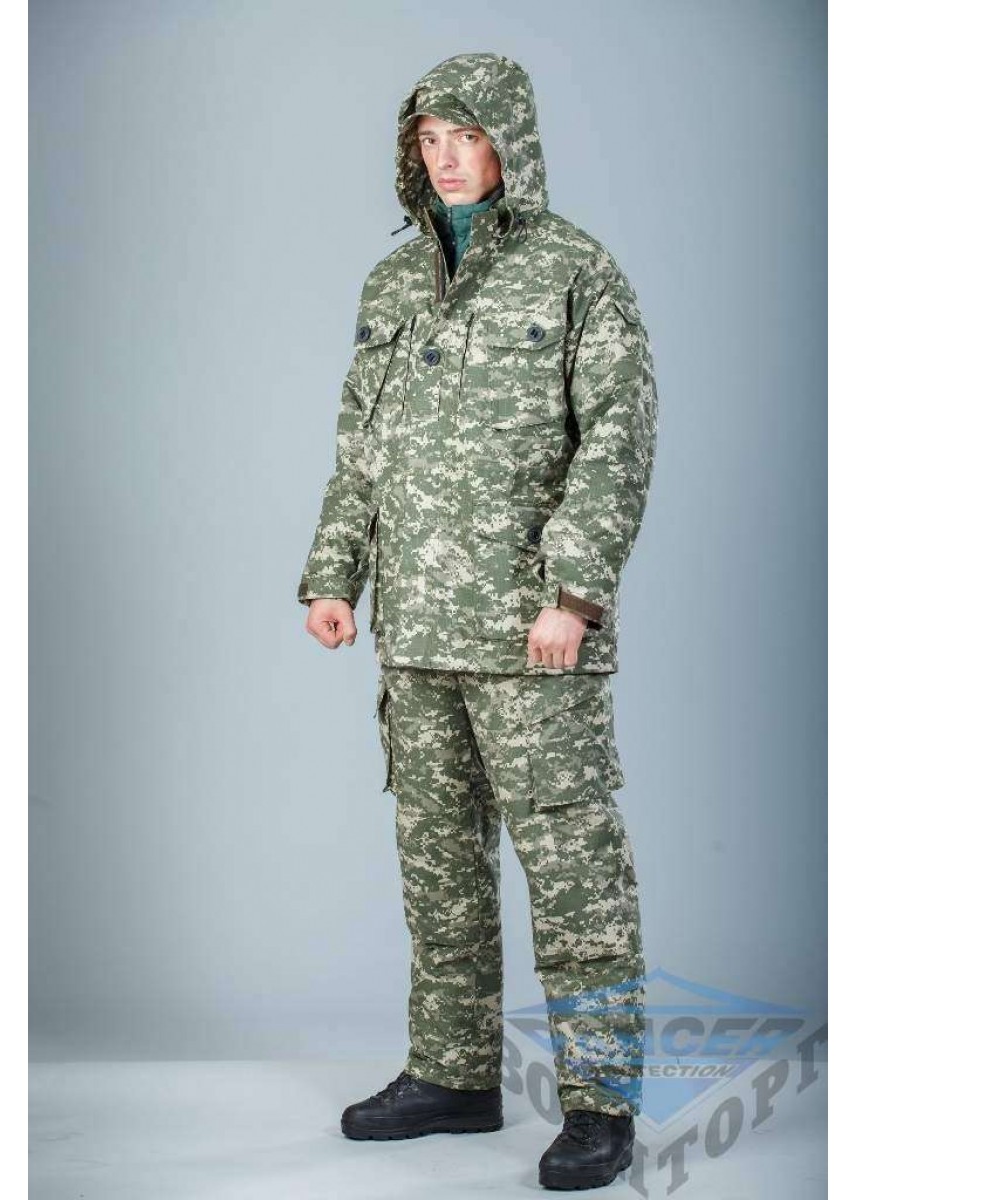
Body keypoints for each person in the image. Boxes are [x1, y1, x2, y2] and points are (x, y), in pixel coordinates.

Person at [297, 51, 658, 1192]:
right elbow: (361, 448)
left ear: (511, 142)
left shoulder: (573, 271)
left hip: (530, 636)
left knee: (574, 875)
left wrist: (575, 594)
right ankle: (453, 1076)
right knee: (440, 873)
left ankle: (601, 1104)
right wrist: (333, 577)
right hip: (418, 635)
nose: (447, 158)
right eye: (430, 138)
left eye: (467, 135)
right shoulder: (393, 283)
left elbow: (617, 439)